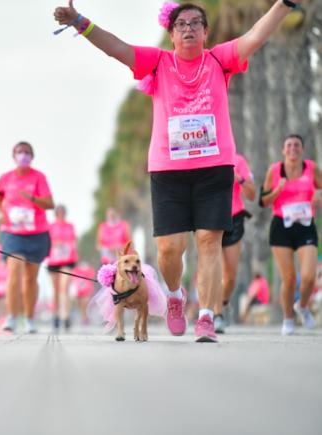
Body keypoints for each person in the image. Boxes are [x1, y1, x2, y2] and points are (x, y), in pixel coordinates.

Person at [54, 0, 303, 342]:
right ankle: (174, 297)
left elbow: (255, 36)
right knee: (170, 250)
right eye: (181, 24)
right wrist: (80, 22)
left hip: (214, 167)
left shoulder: (219, 59)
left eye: (196, 23)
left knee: (208, 241)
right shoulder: (158, 62)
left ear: (205, 31)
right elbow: (117, 48)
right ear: (171, 33)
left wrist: (284, 4)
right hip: (168, 172)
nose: (188, 28)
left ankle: (205, 317)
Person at [260, 134, 321, 335]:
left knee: (309, 277)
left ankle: (301, 306)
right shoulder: (275, 170)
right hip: (281, 226)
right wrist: (278, 190)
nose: (293, 148)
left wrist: (318, 197)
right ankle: (288, 318)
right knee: (288, 277)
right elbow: (263, 201)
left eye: (297, 145)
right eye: (289, 145)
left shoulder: (312, 168)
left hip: (305, 225)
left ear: (302, 150)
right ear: (283, 150)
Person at [0, 141, 54, 333]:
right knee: (15, 270)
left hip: (37, 233)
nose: (23, 155)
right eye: (20, 152)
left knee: (30, 279)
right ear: (14, 155)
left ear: (32, 156)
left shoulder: (39, 177)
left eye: (27, 152)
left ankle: (29, 318)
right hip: (13, 232)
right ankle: (11, 317)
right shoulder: (6, 178)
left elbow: (50, 204)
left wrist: (32, 198)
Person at [214, 153, 255, 333]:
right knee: (212, 269)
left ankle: (223, 303)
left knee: (230, 276)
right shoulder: (205, 157)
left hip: (234, 218)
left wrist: (238, 178)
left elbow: (252, 194)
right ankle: (216, 315)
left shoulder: (238, 160)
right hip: (210, 218)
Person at [46, 205, 78, 331]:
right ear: (56, 213)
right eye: (59, 212)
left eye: (63, 212)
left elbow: (74, 241)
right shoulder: (51, 226)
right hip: (53, 260)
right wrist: (55, 244)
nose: (61, 214)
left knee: (64, 289)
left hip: (68, 260)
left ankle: (65, 316)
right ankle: (56, 315)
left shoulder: (70, 226)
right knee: (55, 290)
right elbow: (46, 241)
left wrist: (72, 249)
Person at [71, 261, 96, 325]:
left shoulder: (90, 270)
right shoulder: (75, 270)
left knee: (84, 303)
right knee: (79, 304)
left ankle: (85, 317)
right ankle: (83, 316)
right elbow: (72, 278)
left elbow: (92, 278)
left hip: (87, 289)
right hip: (78, 290)